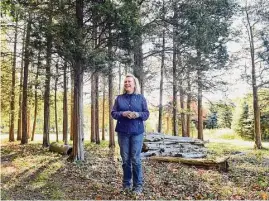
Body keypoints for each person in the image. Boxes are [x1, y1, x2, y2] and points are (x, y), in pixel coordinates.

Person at [111, 74, 150, 195]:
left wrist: (137, 115)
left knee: (135, 159)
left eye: (129, 82)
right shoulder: (119, 99)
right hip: (122, 132)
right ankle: (126, 184)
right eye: (125, 82)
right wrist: (123, 113)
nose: (127, 83)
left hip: (137, 133)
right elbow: (113, 113)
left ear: (134, 84)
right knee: (125, 159)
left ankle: (138, 186)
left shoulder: (141, 98)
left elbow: (146, 114)